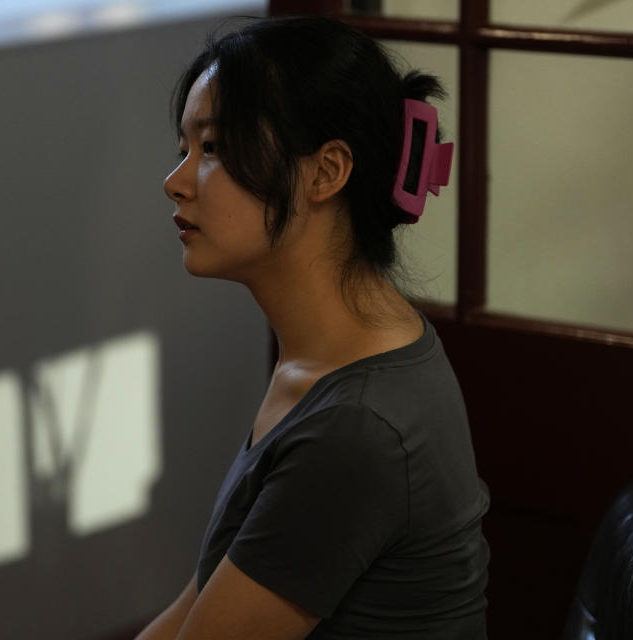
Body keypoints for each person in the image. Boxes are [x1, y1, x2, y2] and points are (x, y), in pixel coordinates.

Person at [138, 16, 489, 640]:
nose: (177, 182)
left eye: (213, 149)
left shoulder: (358, 426)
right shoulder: (332, 352)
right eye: (184, 149)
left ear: (326, 172)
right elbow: (207, 590)